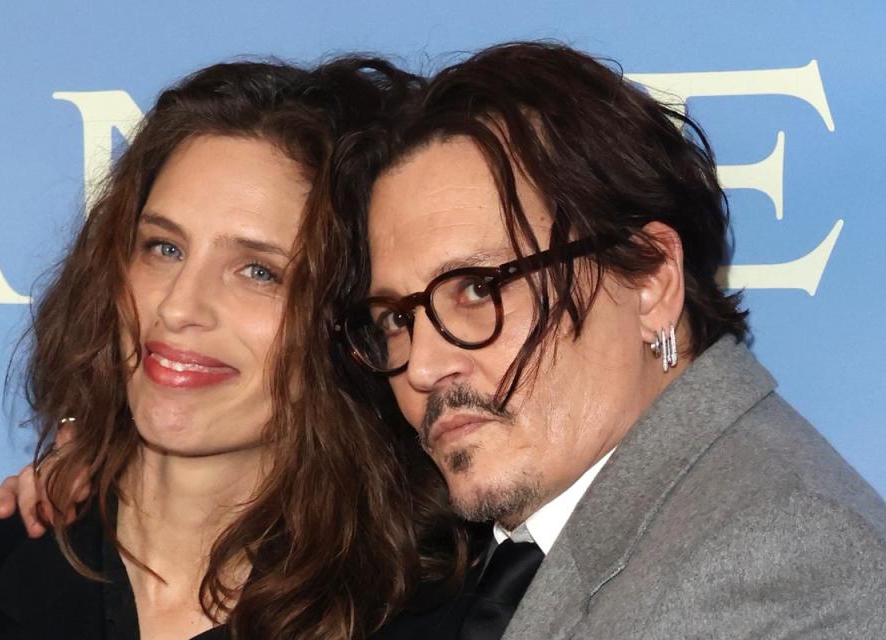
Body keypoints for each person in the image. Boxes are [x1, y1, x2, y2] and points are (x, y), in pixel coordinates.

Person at [326, 42, 886, 638]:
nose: (424, 368)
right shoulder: (466, 564)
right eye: (395, 319)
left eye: (477, 289)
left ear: (649, 280)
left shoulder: (779, 556)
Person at [0, 57, 469, 640]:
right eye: (164, 248)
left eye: (259, 271)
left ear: (353, 320)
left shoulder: (441, 616)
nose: (179, 307)